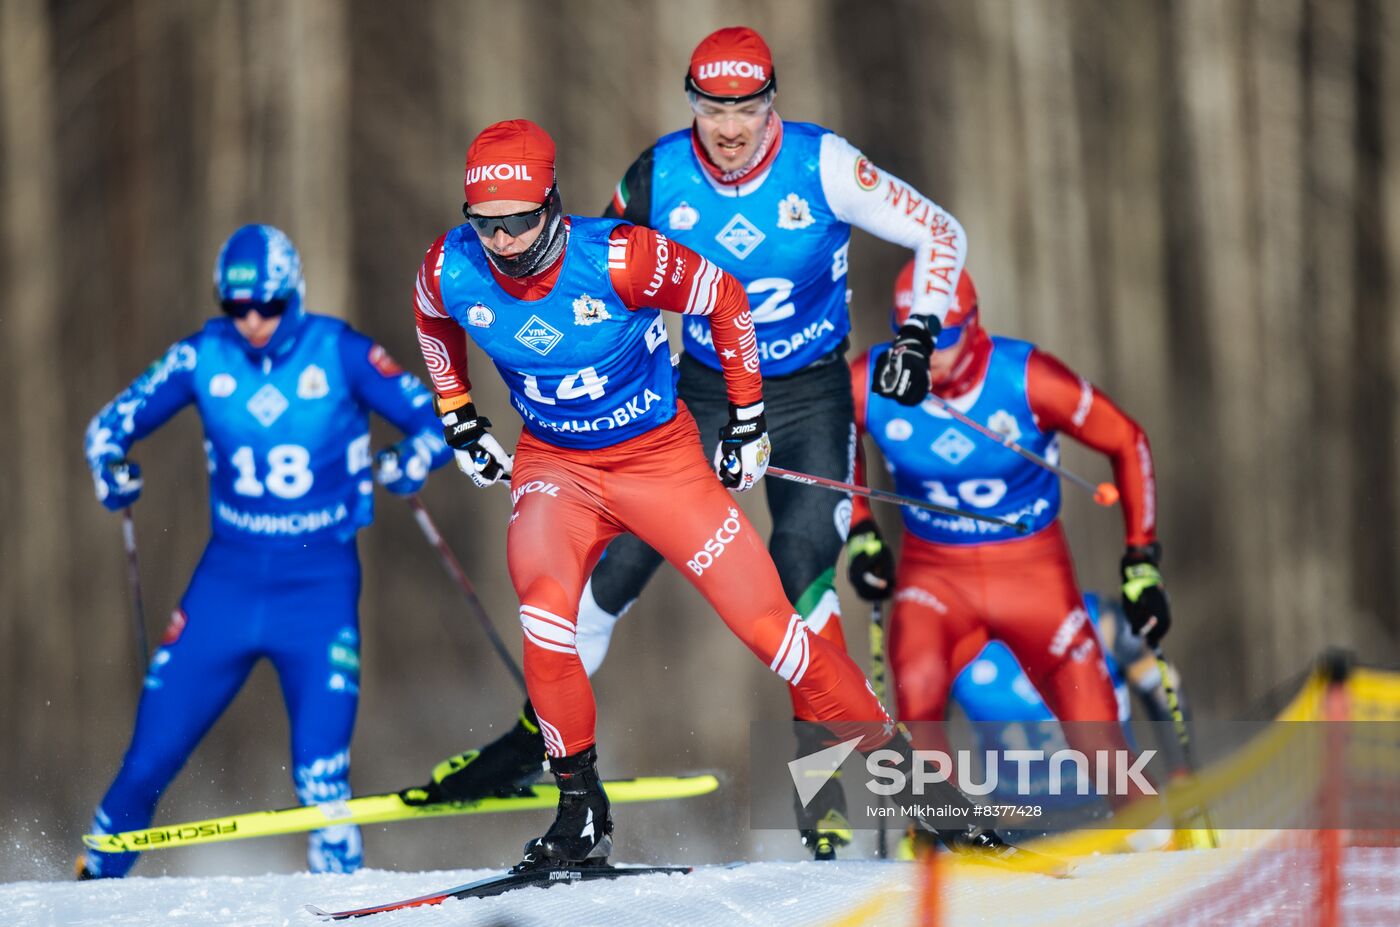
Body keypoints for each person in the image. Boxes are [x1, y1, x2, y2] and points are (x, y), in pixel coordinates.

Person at [414, 25, 970, 860]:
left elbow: (939, 231)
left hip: (808, 389)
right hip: (693, 389)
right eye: (712, 106)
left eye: (746, 107)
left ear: (772, 103)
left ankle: (845, 781)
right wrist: (461, 411)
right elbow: (574, 290)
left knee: (798, 575)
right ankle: (549, 755)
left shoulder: (823, 166)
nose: (729, 126)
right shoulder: (652, 176)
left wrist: (919, 335)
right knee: (597, 583)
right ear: (693, 106)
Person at [76, 224, 451, 879]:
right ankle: (88, 884)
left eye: (269, 306)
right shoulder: (202, 356)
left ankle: (342, 899)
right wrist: (111, 468)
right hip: (228, 583)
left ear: (294, 295)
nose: (252, 321)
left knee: (321, 772)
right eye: (237, 308)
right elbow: (107, 427)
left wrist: (409, 461)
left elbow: (437, 419)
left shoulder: (340, 350)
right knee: (147, 758)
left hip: (319, 587)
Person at [845, 260, 1171, 809]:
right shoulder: (872, 381)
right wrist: (860, 530)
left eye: (942, 336)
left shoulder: (1027, 377)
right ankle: (941, 842)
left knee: (1097, 736)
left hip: (1032, 575)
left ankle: (1157, 842)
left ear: (973, 326)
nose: (927, 353)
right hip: (936, 578)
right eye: (912, 337)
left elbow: (1127, 440)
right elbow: (832, 439)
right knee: (916, 693)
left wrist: (1141, 558)